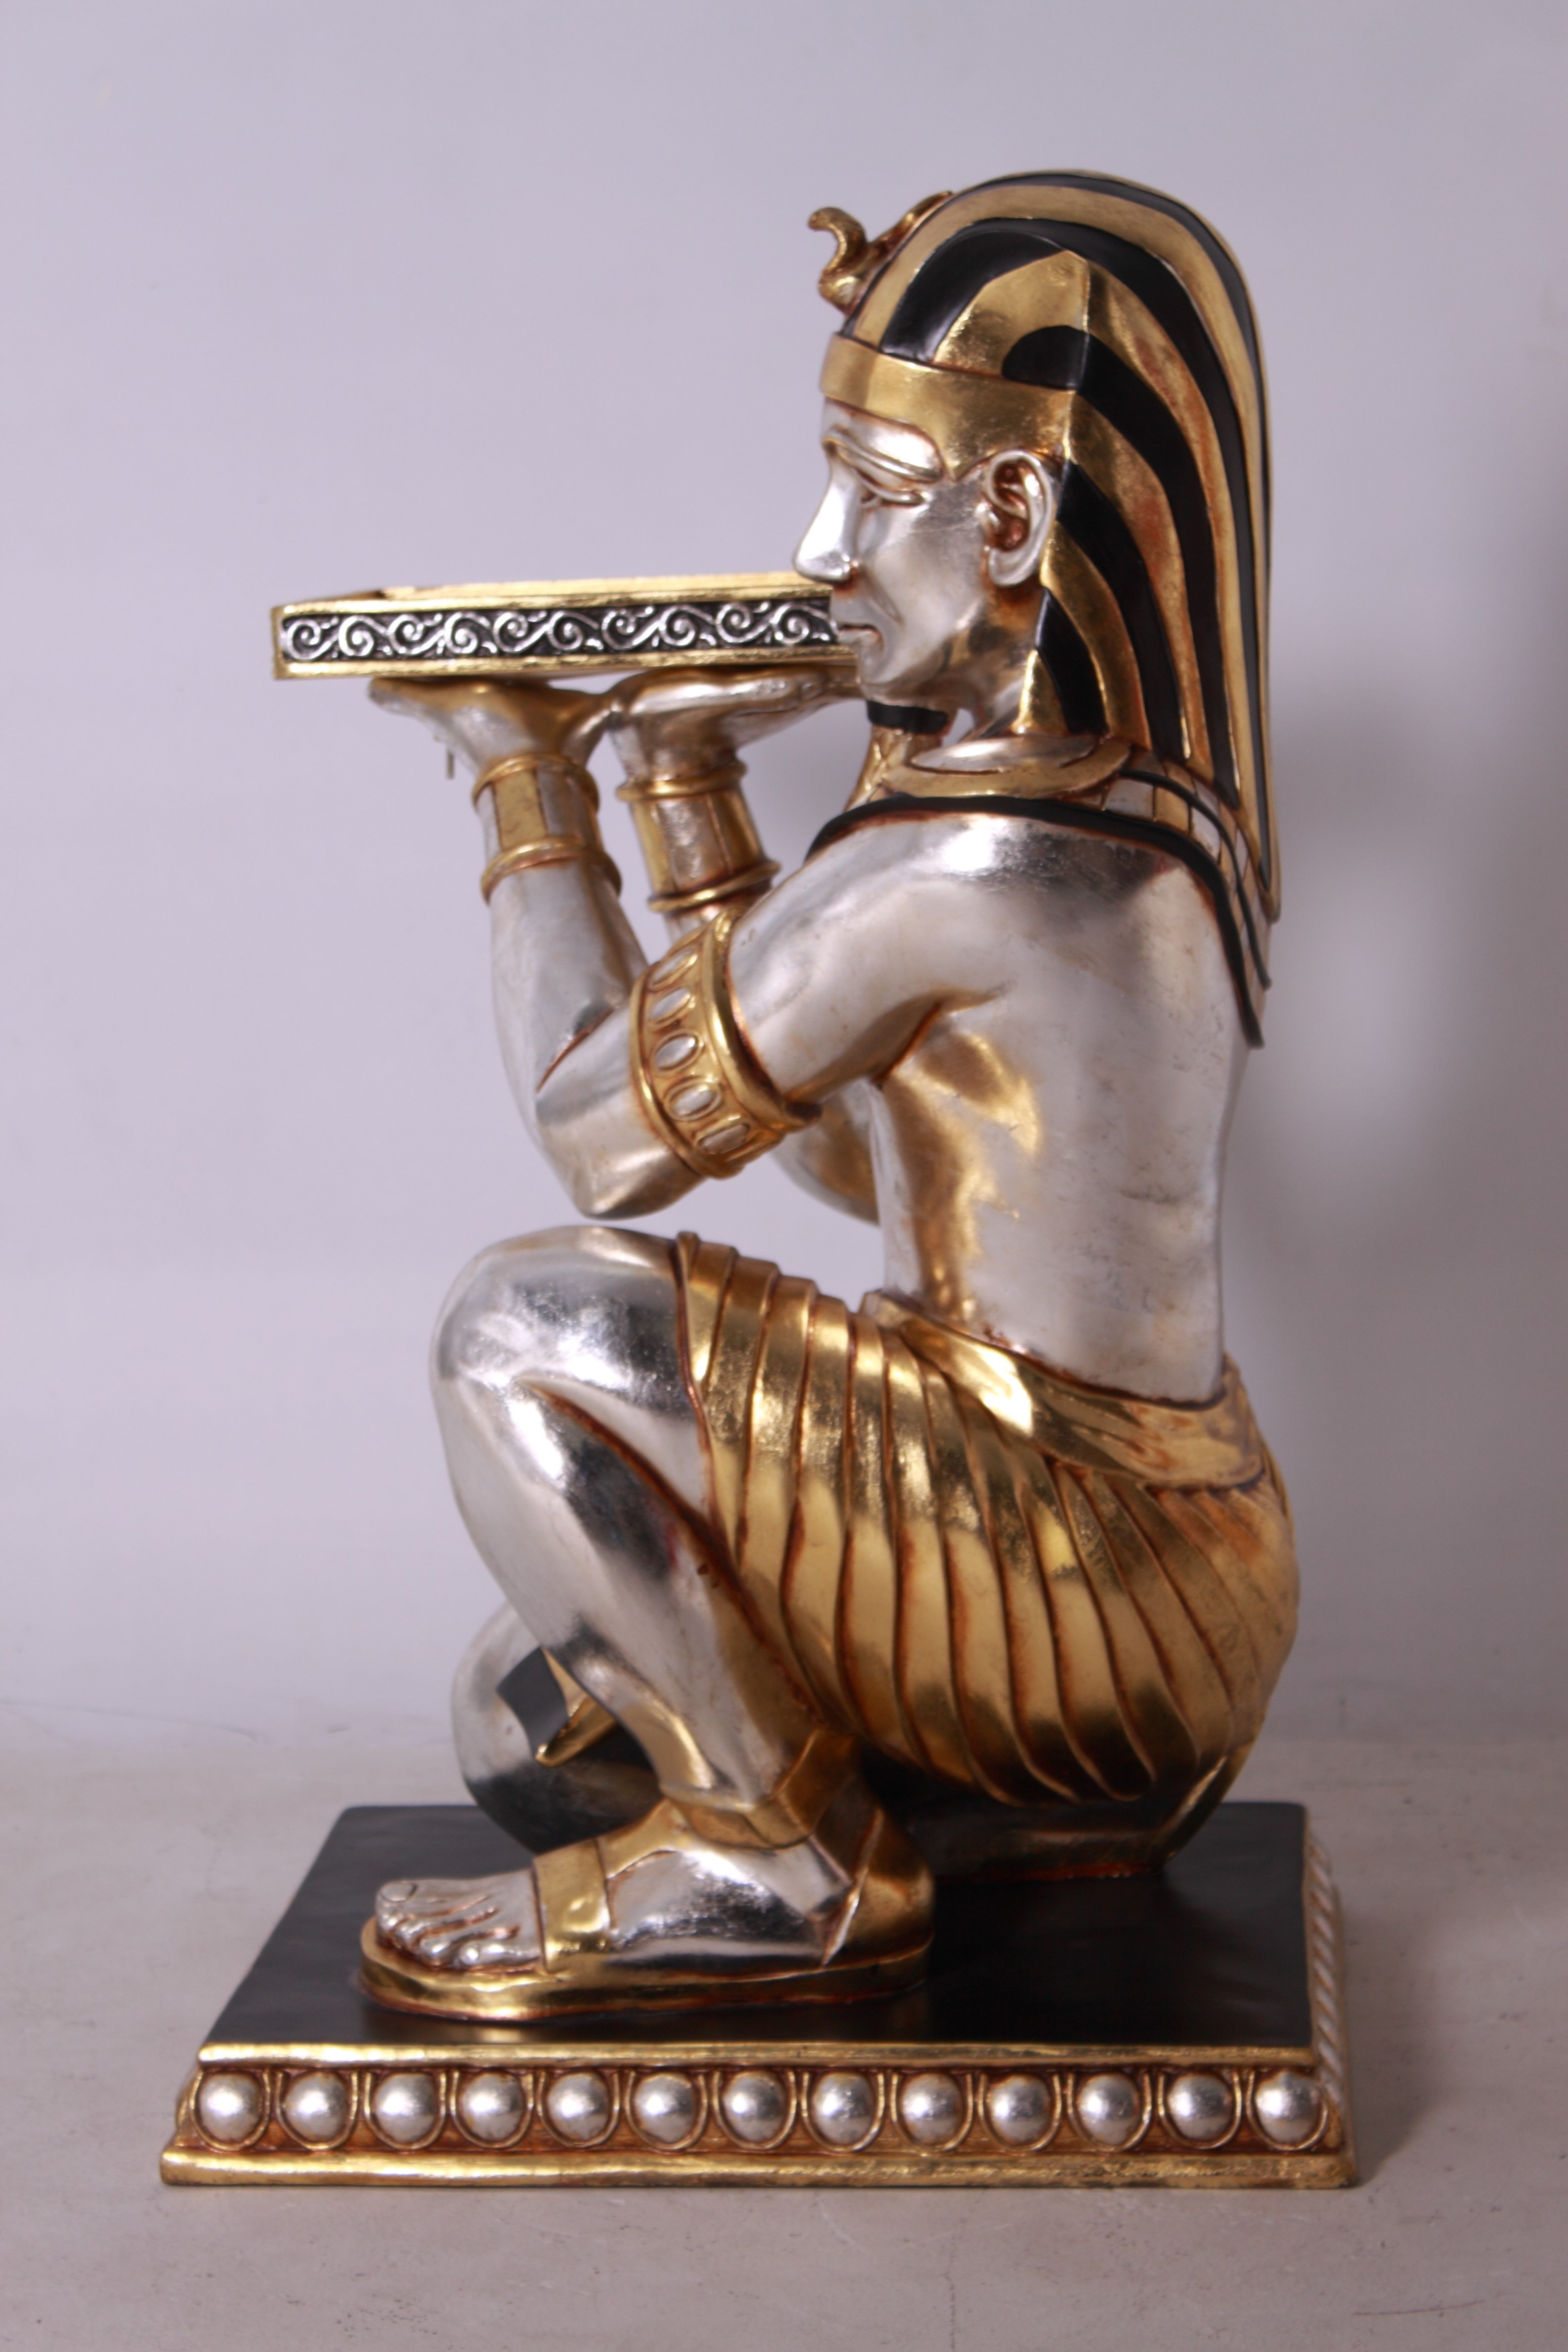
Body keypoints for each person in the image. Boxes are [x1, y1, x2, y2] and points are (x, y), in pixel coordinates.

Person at [362, 173, 1297, 2020]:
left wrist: (522, 775)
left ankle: (780, 1861)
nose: (821, 552)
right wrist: (686, 781)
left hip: (1081, 1565)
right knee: (535, 1716)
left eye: (872, 491)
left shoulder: (958, 867)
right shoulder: (1145, 819)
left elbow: (598, 1139)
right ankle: (929, 1821)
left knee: (518, 1332)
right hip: (1188, 1595)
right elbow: (866, 1170)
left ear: (1011, 511)